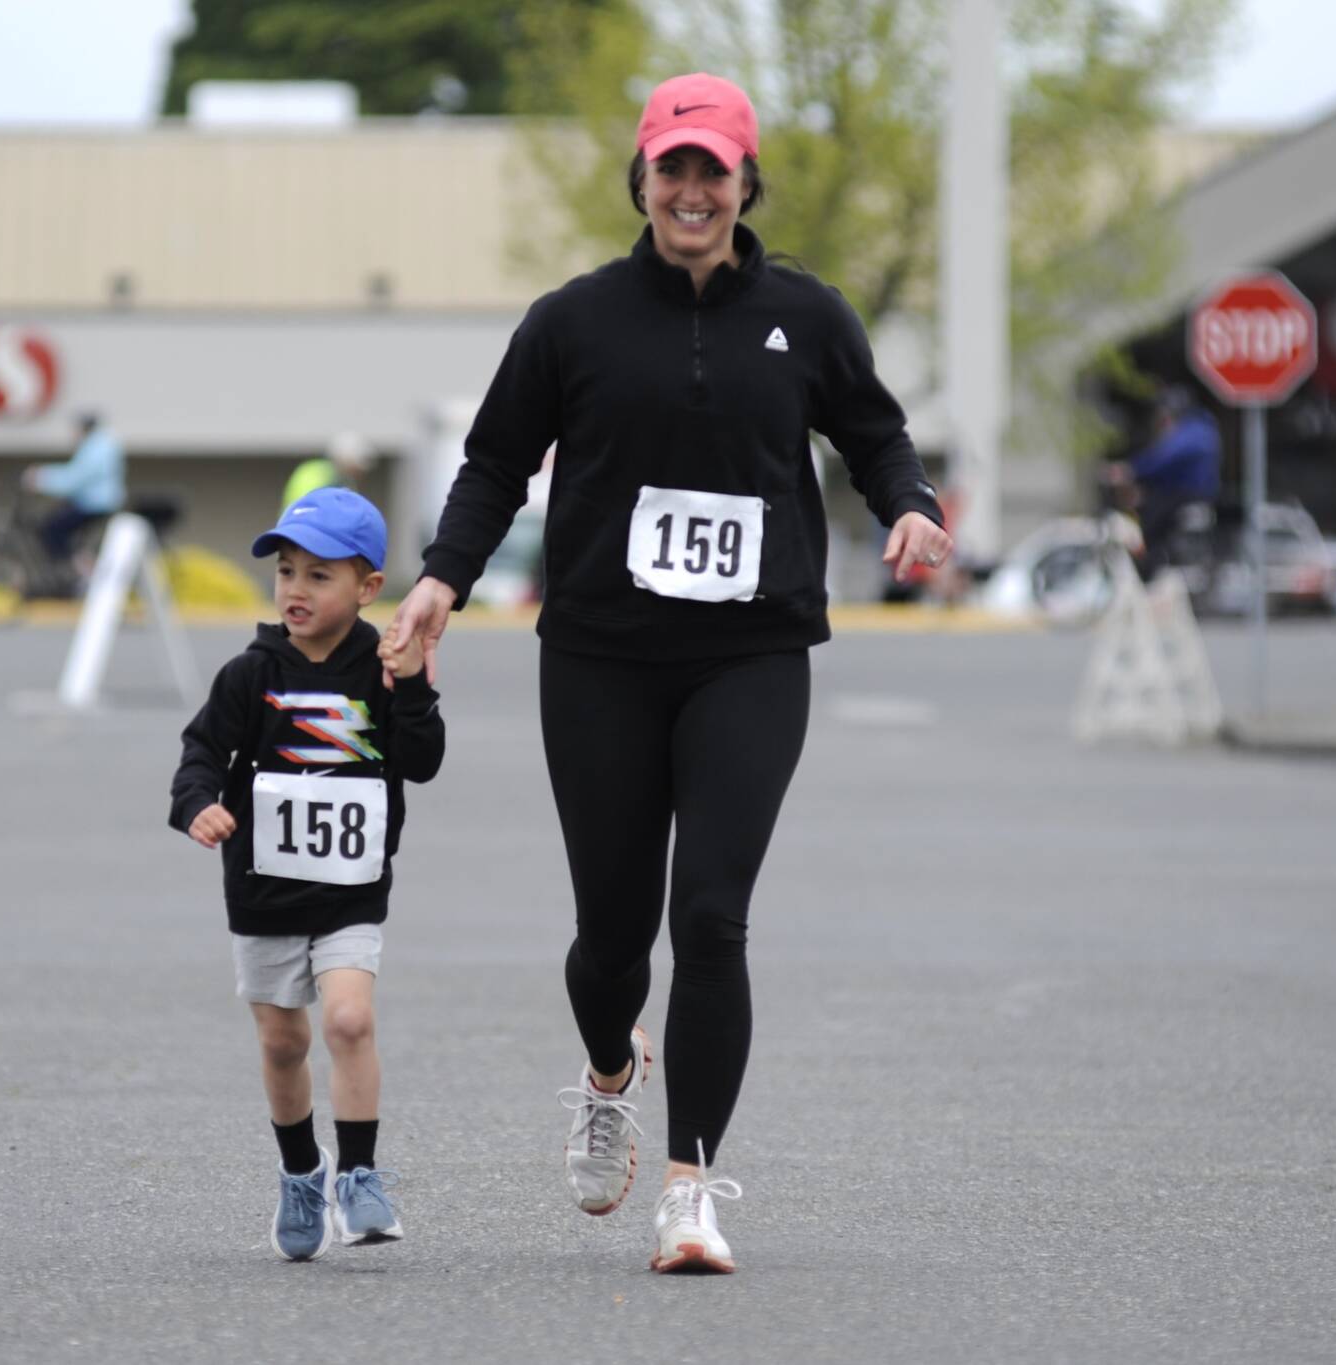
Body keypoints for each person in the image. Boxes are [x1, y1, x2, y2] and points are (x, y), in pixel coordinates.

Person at [383, 72, 951, 1275]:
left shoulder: (807, 313)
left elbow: (876, 432)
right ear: (640, 180)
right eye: (671, 168)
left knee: (712, 916)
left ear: (746, 185)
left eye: (713, 170)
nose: (691, 190)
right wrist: (442, 577)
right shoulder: (572, 320)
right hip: (598, 655)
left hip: (750, 654)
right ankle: (605, 1074)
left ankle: (689, 1189)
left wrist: (908, 504)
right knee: (609, 935)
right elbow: (493, 463)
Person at [168, 486, 445, 1262]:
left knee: (349, 1020)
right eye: (286, 571)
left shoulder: (384, 670)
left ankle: (359, 1174)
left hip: (351, 890)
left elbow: (422, 762)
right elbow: (199, 753)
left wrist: (417, 682)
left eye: (319, 575)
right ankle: (300, 1173)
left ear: (367, 588)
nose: (295, 588)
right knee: (284, 1041)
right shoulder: (250, 673)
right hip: (262, 890)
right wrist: (197, 804)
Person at [1106, 386, 1220, 575]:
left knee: (1150, 523)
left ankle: (1147, 570)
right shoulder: (1202, 429)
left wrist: (1131, 470)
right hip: (1190, 494)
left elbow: (1164, 458)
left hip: (1184, 495)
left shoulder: (1191, 432)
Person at [24, 411, 124, 569]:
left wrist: (40, 478)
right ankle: (78, 565)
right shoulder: (101, 444)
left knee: (52, 530)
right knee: (59, 525)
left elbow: (75, 478)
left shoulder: (96, 447)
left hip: (94, 504)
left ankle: (82, 569)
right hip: (94, 502)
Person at [280, 432, 373, 514]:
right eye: (357, 467)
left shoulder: (346, 481)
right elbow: (306, 508)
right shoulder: (318, 474)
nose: (360, 474)